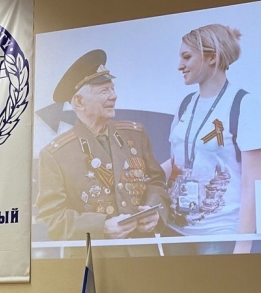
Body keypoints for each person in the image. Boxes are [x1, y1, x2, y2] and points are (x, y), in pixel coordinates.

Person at [36, 50, 167, 251]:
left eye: (112, 89)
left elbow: (157, 183)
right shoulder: (55, 155)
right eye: (104, 91)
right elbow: (51, 219)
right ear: (79, 101)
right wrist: (101, 226)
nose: (114, 96)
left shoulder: (135, 134)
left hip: (143, 254)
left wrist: (154, 211)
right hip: (94, 260)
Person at [161, 24, 261, 254]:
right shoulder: (185, 104)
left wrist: (243, 247)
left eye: (187, 57)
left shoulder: (246, 105)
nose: (179, 65)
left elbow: (252, 186)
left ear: (212, 57)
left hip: (219, 234)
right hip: (175, 231)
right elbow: (178, 162)